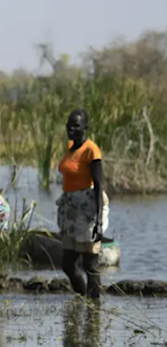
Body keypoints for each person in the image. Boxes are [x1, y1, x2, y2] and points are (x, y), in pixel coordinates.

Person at [56, 109, 108, 299]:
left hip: (88, 207)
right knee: (67, 262)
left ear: (85, 127)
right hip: (71, 208)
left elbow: (98, 185)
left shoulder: (91, 150)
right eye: (69, 124)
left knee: (90, 263)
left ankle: (94, 304)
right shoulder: (71, 147)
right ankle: (82, 295)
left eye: (76, 125)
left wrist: (99, 221)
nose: (71, 128)